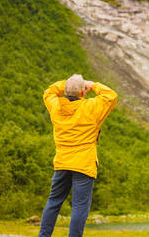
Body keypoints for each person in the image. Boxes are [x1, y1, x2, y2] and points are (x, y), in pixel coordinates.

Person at [38, 74, 117, 237]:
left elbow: (49, 92)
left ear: (65, 90)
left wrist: (68, 84)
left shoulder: (56, 106)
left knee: (53, 202)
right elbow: (111, 95)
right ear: (83, 92)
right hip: (84, 165)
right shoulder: (91, 107)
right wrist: (91, 84)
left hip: (62, 163)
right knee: (79, 207)